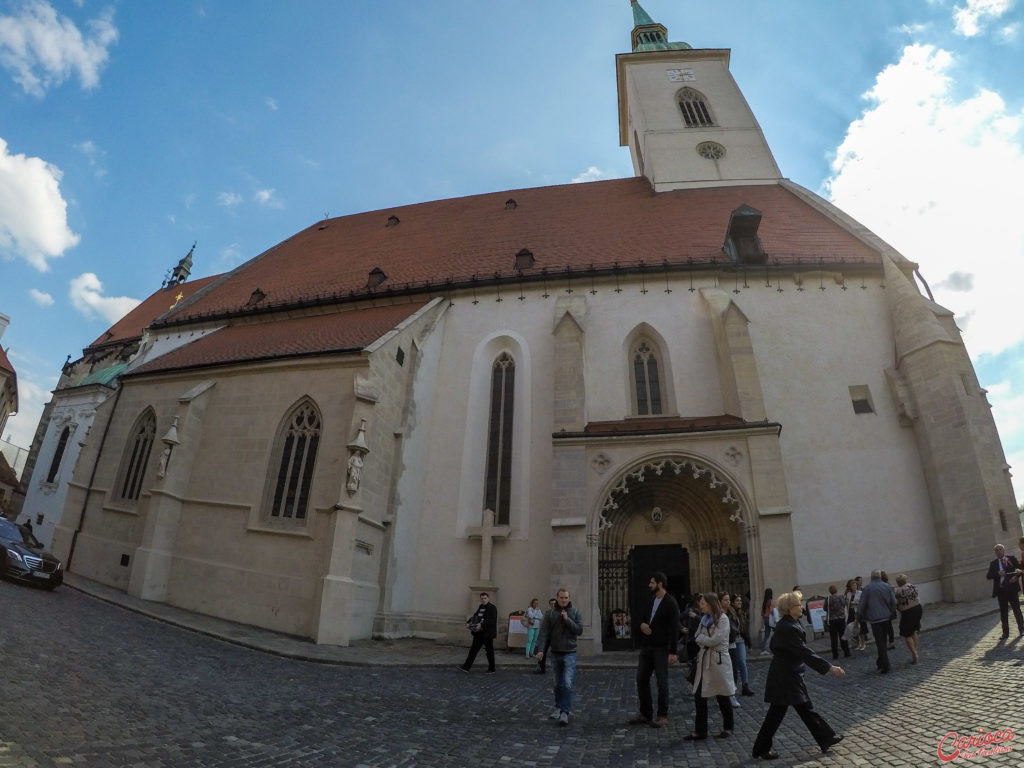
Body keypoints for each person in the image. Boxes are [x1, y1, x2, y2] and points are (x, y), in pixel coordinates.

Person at [751, 591, 846, 760]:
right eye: (797, 604)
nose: (801, 607)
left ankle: (825, 737)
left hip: (788, 675)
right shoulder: (788, 627)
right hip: (785, 677)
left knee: (801, 709)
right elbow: (804, 652)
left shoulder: (791, 624)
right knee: (782, 713)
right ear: (788, 609)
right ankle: (761, 748)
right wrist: (829, 667)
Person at [627, 572, 680, 728]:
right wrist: (642, 625)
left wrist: (673, 652)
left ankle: (662, 715)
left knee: (661, 681)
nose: (649, 585)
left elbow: (674, 628)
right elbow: (642, 618)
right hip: (647, 646)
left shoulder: (671, 603)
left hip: (661, 648)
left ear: (660, 584)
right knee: (641, 679)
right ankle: (645, 713)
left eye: (652, 582)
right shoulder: (650, 600)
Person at [683, 593, 735, 742]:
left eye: (704, 603)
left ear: (711, 604)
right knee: (699, 696)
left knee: (722, 694)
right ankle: (700, 731)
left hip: (717, 661)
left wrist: (703, 640)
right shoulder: (704, 619)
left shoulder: (723, 619)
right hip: (704, 661)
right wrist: (704, 640)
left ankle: (728, 727)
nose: (701, 606)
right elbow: (696, 635)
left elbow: (715, 640)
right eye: (701, 603)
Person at [534, 588, 584, 726]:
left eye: (566, 598)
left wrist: (567, 620)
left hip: (570, 652)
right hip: (555, 653)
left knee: (567, 683)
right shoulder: (550, 613)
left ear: (569, 598)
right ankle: (558, 707)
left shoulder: (575, 612)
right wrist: (540, 650)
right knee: (557, 683)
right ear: (557, 598)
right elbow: (544, 633)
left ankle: (565, 712)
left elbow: (579, 630)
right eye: (561, 597)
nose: (564, 600)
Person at [857, 570, 896, 673]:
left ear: (871, 577)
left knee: (880, 642)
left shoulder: (867, 589)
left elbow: (861, 605)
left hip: (875, 620)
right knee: (883, 640)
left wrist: (859, 617)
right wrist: (891, 611)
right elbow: (894, 601)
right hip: (886, 618)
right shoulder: (887, 586)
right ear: (879, 576)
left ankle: (885, 665)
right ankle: (880, 662)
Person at [986, 543, 1023, 639]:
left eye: (1000, 549)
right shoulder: (993, 563)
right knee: (1003, 612)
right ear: (995, 552)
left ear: (1003, 550)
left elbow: (1020, 569)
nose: (998, 551)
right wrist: (997, 573)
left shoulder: (1011, 559)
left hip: (1012, 588)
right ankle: (1005, 633)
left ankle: (1022, 630)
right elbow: (989, 576)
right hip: (1001, 590)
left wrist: (1016, 576)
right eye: (997, 550)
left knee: (1016, 610)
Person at [456, 592, 497, 673]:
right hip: (479, 633)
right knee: (473, 650)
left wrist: (481, 624)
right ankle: (466, 667)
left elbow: (492, 621)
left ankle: (492, 669)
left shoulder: (492, 607)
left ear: (488, 598)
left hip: (487, 634)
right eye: (482, 598)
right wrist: (468, 622)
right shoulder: (481, 606)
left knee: (489, 651)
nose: (483, 600)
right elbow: (475, 616)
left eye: (485, 598)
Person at [893, 574, 922, 663]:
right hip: (918, 608)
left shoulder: (898, 590)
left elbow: (898, 603)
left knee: (907, 633)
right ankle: (915, 649)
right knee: (914, 630)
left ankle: (914, 654)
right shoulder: (912, 586)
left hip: (907, 612)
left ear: (898, 582)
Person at [731, 593, 755, 696]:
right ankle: (732, 687)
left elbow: (745, 629)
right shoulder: (729, 614)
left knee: (742, 663)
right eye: (737, 601)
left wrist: (749, 644)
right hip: (731, 642)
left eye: (740, 601)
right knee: (733, 666)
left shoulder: (742, 613)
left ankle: (745, 686)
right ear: (732, 602)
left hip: (740, 641)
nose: (739, 602)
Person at [825, 584, 850, 660]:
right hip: (841, 619)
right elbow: (845, 604)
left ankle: (835, 654)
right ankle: (846, 652)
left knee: (833, 638)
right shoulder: (841, 597)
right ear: (836, 590)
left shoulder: (828, 598)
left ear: (830, 591)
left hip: (832, 620)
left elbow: (824, 608)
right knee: (843, 636)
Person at [535, 597, 557, 673]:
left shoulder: (559, 612)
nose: (553, 605)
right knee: (542, 651)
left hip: (556, 636)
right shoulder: (547, 612)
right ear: (549, 605)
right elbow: (544, 624)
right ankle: (541, 668)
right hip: (547, 635)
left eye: (554, 604)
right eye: (551, 604)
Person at [759, 588, 776, 655]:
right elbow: (772, 611)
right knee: (777, 633)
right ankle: (774, 647)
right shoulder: (770, 601)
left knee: (766, 635)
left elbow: (762, 613)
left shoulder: (764, 602)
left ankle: (763, 649)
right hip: (770, 619)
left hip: (766, 619)